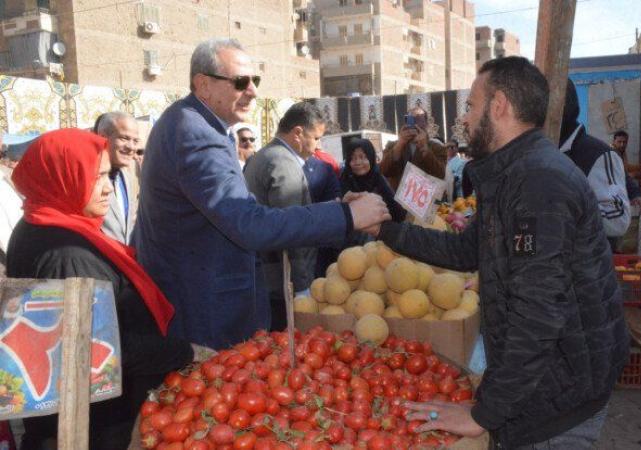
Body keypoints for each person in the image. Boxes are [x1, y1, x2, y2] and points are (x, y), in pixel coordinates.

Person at [376, 57, 629, 449]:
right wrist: (385, 230)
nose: (465, 118)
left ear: (499, 107)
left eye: (471, 105)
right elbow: (465, 249)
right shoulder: (512, 173)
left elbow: (539, 314)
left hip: (557, 405)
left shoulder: (538, 182)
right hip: (546, 389)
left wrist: (484, 414)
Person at [133, 38, 390, 350]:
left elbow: (242, 210)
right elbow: (250, 224)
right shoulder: (195, 133)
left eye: (254, 81)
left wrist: (335, 206)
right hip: (203, 314)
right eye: (240, 82)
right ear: (203, 86)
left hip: (200, 303)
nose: (252, 91)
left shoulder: (196, 124)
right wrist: (346, 216)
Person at [6, 129, 201, 450]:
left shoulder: (41, 223)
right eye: (95, 177)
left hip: (80, 414)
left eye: (108, 175)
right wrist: (186, 352)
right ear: (62, 177)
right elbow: (101, 348)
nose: (108, 187)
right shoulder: (66, 251)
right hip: (91, 426)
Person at [243, 102, 326, 331]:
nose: (318, 147)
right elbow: (291, 228)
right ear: (298, 133)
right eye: (316, 138)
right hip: (280, 282)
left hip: (267, 276)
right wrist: (300, 287)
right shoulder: (283, 162)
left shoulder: (265, 155)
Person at [559, 79, 630, 250]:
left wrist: (558, 209)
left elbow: (618, 220)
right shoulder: (538, 153)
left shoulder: (597, 155)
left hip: (585, 271)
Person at [96, 111, 141, 245]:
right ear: (103, 137)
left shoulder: (125, 178)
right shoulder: (88, 179)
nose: (131, 147)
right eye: (124, 138)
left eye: (135, 141)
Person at [379, 106, 447, 191]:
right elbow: (383, 170)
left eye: (418, 119)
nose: (415, 124)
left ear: (426, 124)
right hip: (397, 199)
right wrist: (400, 144)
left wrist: (425, 148)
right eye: (411, 120)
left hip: (425, 198)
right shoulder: (392, 145)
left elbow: (440, 174)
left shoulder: (437, 147)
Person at [341, 137, 406, 223]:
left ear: (371, 158)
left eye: (362, 157)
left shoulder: (378, 179)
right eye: (352, 158)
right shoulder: (344, 180)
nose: (358, 162)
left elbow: (397, 210)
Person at [611, 129, 641, 211]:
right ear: (614, 141)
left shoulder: (622, 151)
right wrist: (634, 175)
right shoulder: (612, 154)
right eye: (619, 142)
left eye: (624, 142)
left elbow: (626, 167)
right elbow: (619, 175)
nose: (622, 144)